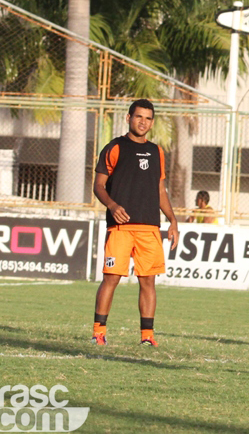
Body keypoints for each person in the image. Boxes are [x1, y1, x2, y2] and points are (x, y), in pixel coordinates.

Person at [91, 99, 179, 347]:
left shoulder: (156, 151)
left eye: (148, 118)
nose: (143, 122)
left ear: (152, 122)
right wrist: (112, 205)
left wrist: (172, 220)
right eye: (139, 116)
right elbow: (98, 186)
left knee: (148, 281)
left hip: (150, 227)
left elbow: (160, 190)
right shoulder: (115, 148)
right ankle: (99, 332)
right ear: (129, 117)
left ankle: (147, 337)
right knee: (111, 278)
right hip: (120, 228)